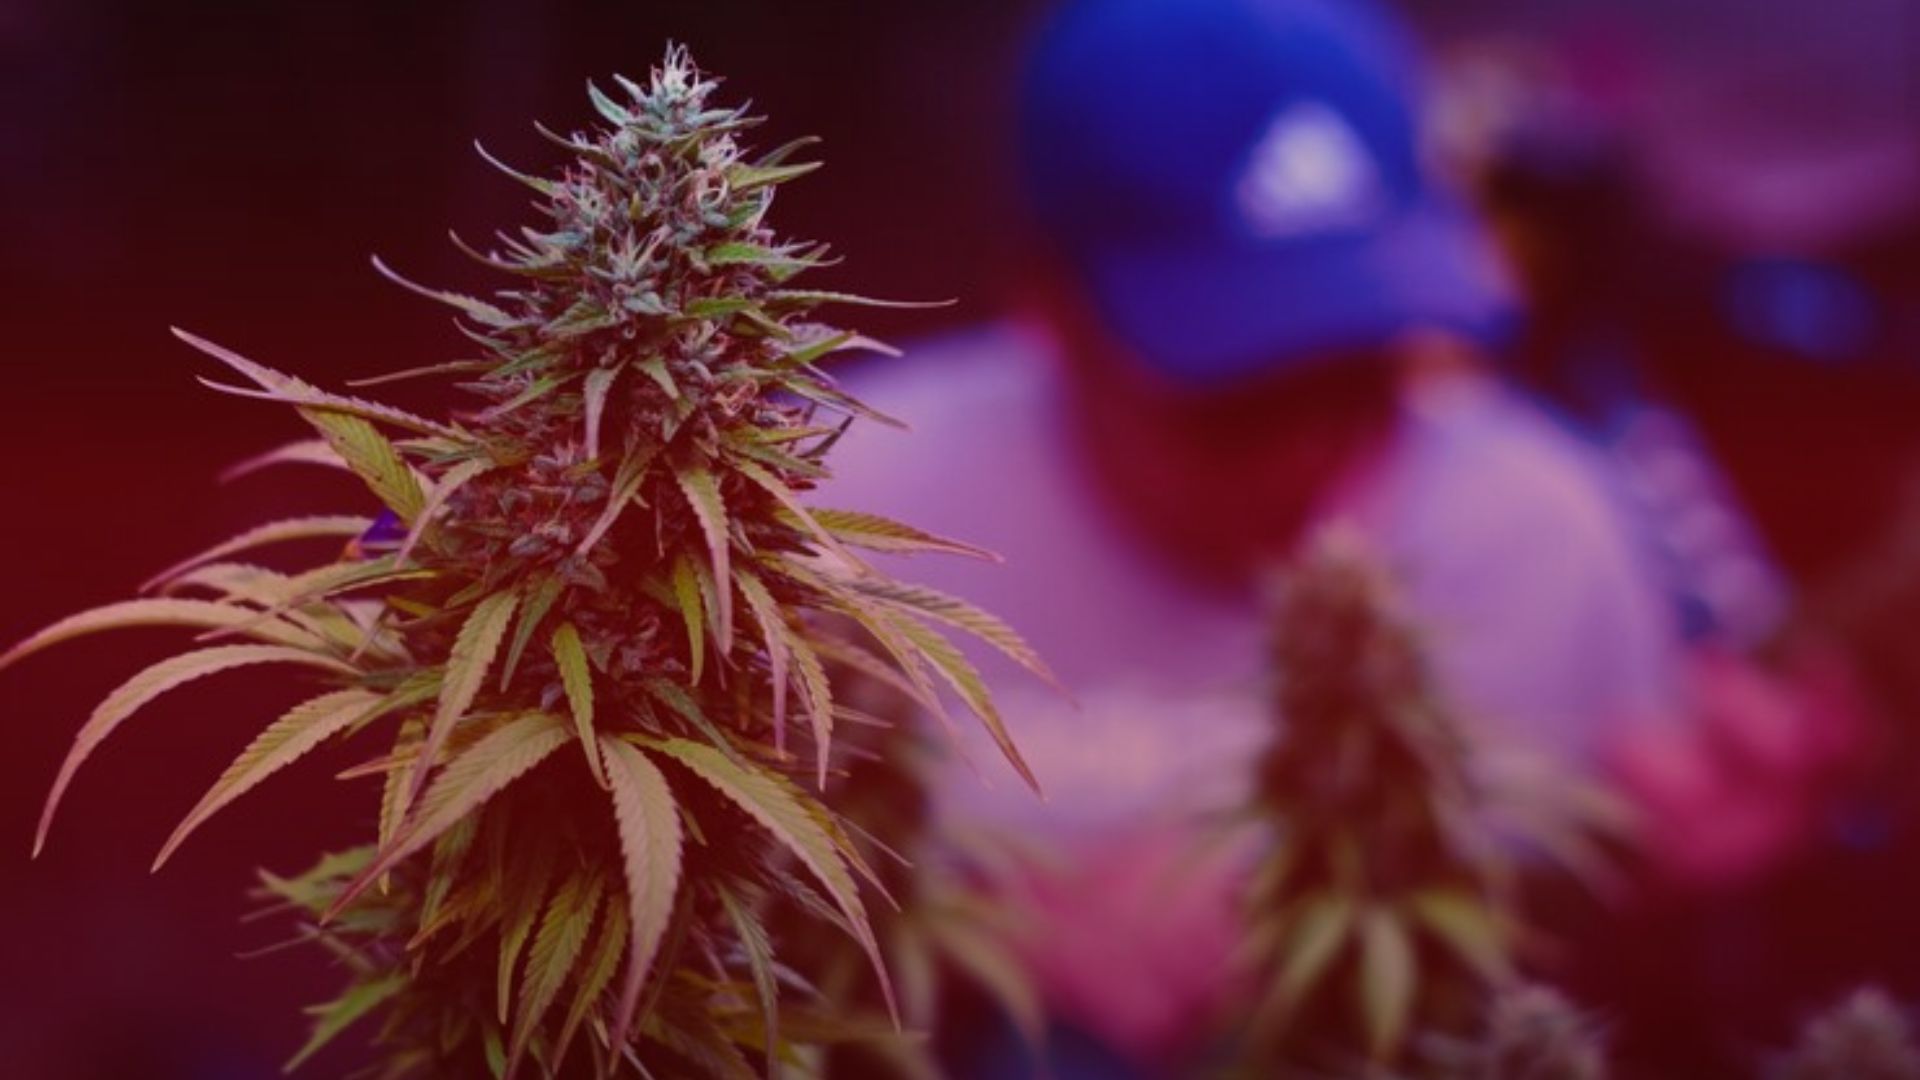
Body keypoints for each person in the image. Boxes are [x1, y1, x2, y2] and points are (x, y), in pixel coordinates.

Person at [818, 0, 1840, 1071]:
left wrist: (1688, 901)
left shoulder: (1548, 532)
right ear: (1046, 306)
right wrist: (988, 919)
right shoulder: (840, 508)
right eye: (1240, 393)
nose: (1318, 451)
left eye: (1364, 374)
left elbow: (1620, 1001)